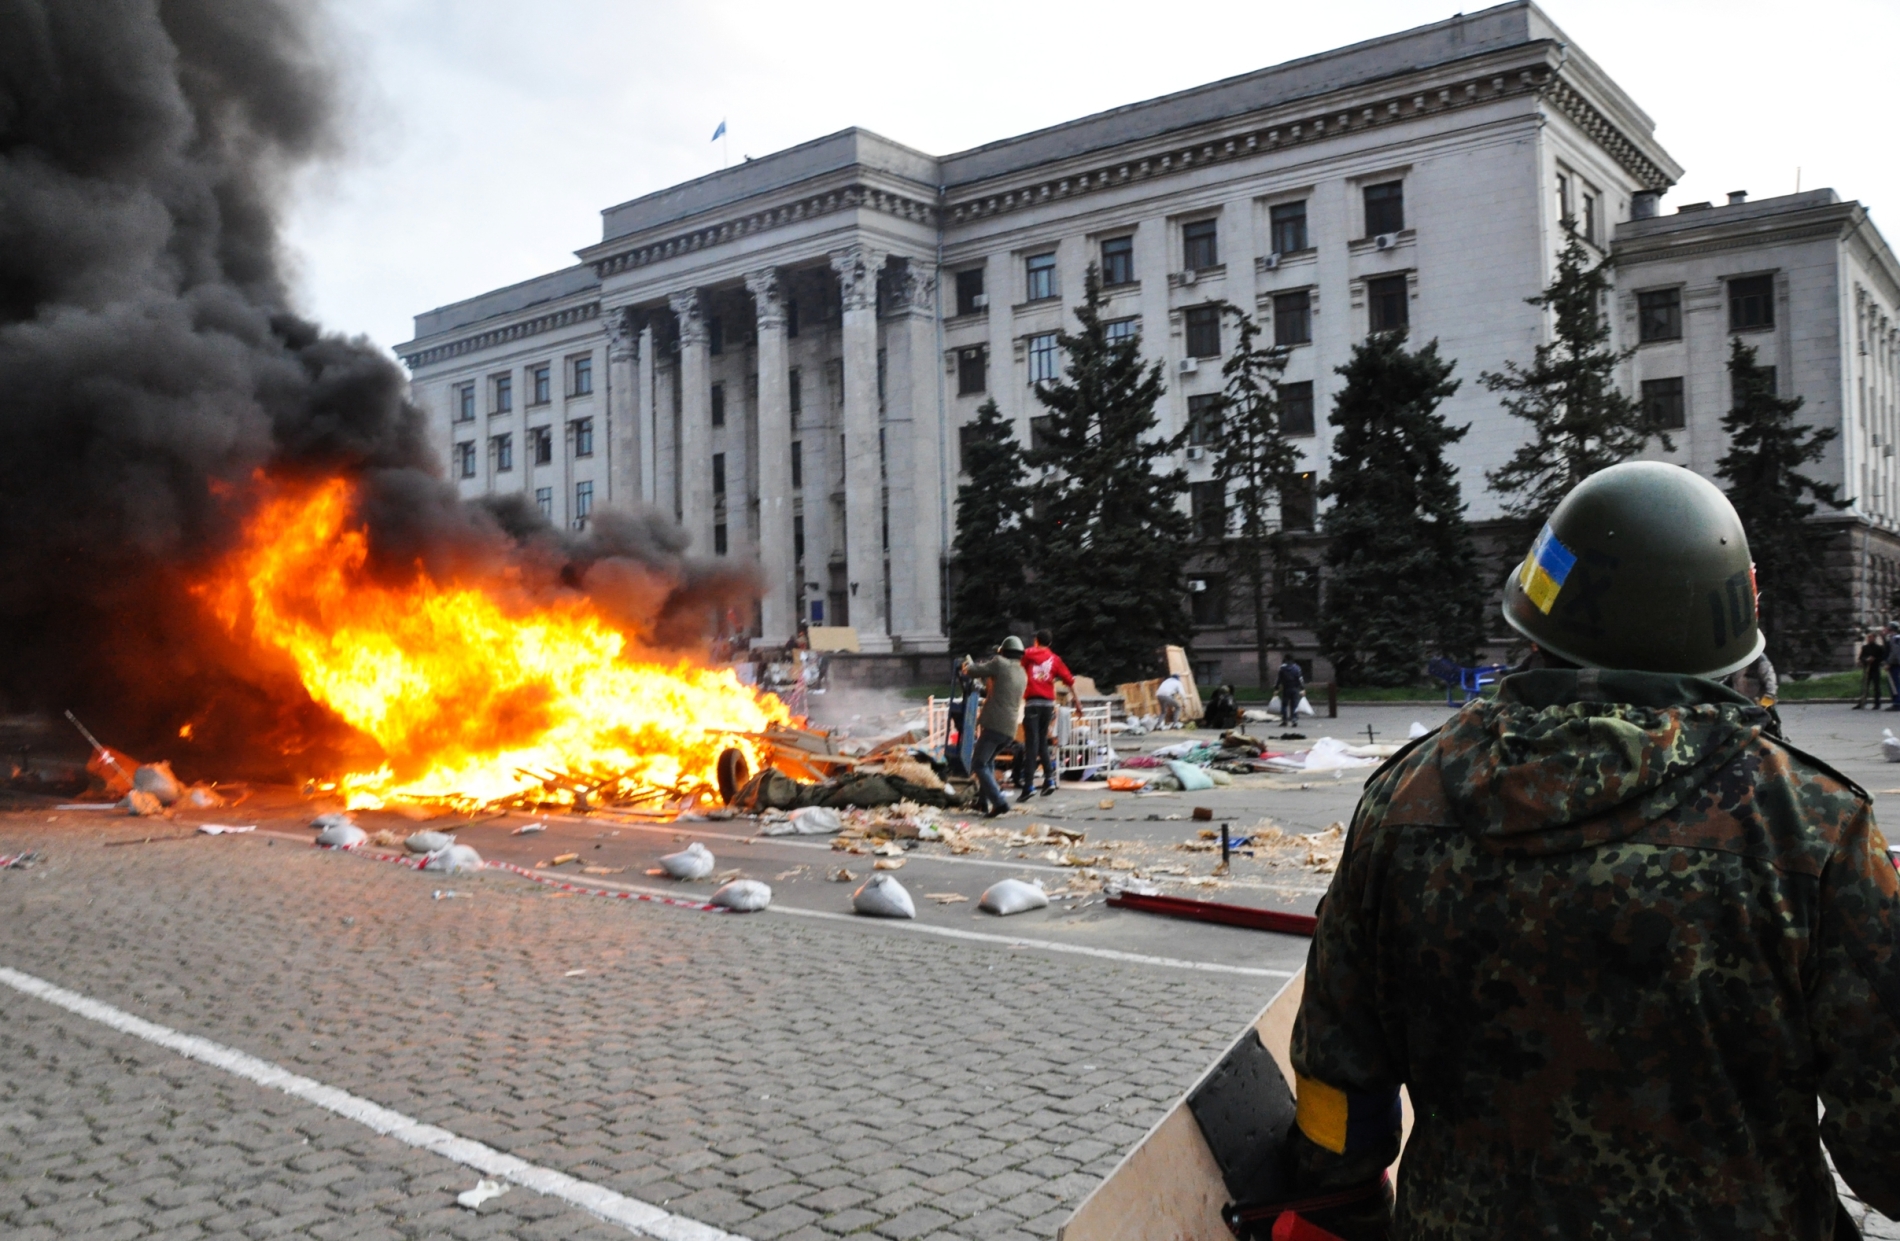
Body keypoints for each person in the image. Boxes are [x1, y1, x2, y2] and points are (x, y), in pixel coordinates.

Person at [1249, 462, 1900, 1240]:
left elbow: (1337, 1083)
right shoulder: (1812, 825)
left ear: (1537, 618)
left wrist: (1346, 1211)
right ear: (1728, 628)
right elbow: (1887, 1133)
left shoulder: (1402, 803)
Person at [961, 636, 1027, 817]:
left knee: (978, 763)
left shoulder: (1000, 663)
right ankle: (983, 802)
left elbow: (972, 670)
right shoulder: (1022, 672)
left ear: (1003, 652)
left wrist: (967, 663)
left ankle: (999, 803)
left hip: (995, 724)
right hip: (1009, 727)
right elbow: (1000, 691)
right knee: (988, 762)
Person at [1019, 630, 1075, 797]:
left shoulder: (1027, 654)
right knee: (1042, 742)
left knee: (1031, 745)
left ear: (1036, 640)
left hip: (1033, 704)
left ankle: (1028, 786)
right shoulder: (1055, 659)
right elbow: (1069, 680)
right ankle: (1049, 779)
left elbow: (1018, 669)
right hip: (1048, 705)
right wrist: (1078, 704)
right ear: (1049, 643)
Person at [1855, 628, 1889, 709]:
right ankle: (1862, 702)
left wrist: (1875, 659)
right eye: (1868, 637)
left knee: (1876, 686)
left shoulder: (1879, 648)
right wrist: (1865, 660)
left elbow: (1882, 657)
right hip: (1867, 669)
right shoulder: (1865, 647)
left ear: (1874, 638)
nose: (1869, 639)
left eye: (1871, 637)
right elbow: (1861, 657)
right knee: (1865, 686)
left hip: (1875, 668)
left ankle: (1877, 703)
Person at [1274, 653, 1306, 727]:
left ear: (1285, 659)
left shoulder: (1282, 668)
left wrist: (1276, 688)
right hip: (1295, 688)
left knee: (1284, 705)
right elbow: (1300, 679)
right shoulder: (1297, 668)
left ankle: (1284, 720)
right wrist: (1302, 688)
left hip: (1286, 688)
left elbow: (1279, 679)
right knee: (1294, 704)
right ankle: (1294, 719)